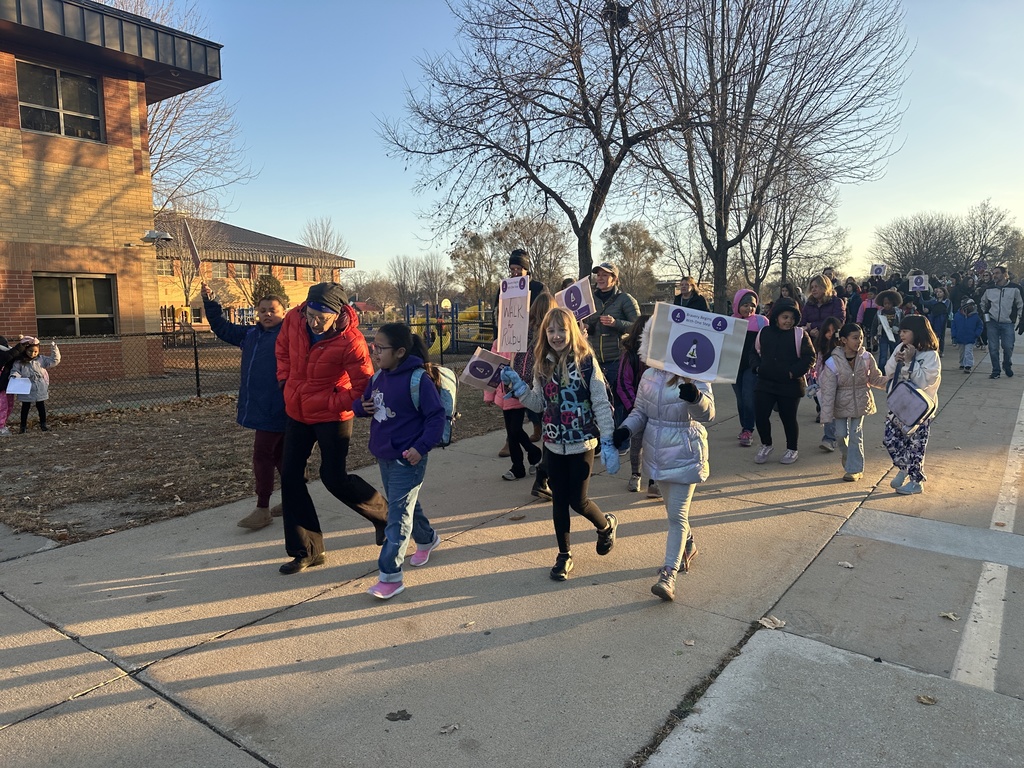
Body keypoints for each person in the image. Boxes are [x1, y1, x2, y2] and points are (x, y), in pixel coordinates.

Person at [275, 283, 389, 575]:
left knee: (333, 477)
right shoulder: (293, 318)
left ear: (337, 314)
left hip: (332, 415)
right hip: (297, 411)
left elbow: (362, 386)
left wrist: (328, 401)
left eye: (321, 318)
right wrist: (285, 381)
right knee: (290, 476)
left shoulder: (351, 340)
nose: (313, 322)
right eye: (310, 314)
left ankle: (386, 516)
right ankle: (307, 550)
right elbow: (283, 351)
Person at [501, 307, 620, 582]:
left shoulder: (587, 362)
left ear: (572, 332)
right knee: (558, 502)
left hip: (582, 444)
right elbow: (538, 404)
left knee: (578, 501)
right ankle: (564, 555)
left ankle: (605, 526)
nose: (556, 336)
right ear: (545, 334)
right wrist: (519, 388)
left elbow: (601, 403)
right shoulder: (542, 365)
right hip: (553, 444)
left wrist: (609, 440)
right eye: (550, 330)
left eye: (561, 330)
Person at [612, 352, 715, 601]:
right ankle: (688, 542)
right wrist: (626, 428)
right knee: (673, 512)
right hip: (657, 454)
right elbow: (641, 412)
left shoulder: (695, 373)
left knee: (677, 516)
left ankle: (668, 575)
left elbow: (708, 414)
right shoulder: (649, 375)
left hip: (685, 452)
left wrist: (696, 398)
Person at [354, 324, 446, 599]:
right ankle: (428, 539)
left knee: (397, 516)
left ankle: (390, 576)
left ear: (400, 352)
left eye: (381, 348)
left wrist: (420, 448)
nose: (375, 352)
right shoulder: (379, 376)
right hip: (384, 455)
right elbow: (363, 403)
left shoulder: (419, 380)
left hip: (409, 459)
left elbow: (436, 417)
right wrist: (362, 408)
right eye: (374, 347)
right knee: (405, 505)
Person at [203, 284, 288, 530]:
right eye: (262, 310)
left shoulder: (289, 336)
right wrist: (210, 302)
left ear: (284, 312)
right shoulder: (249, 334)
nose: (267, 314)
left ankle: (263, 508)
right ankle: (294, 497)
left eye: (273, 310)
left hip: (278, 408)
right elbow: (221, 327)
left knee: (262, 455)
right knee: (281, 456)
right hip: (259, 406)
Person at [492, 249, 548, 458]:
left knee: (532, 391)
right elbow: (498, 315)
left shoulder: (538, 288)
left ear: (527, 269)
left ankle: (537, 427)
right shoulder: (504, 288)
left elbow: (544, 313)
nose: (515, 272)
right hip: (510, 344)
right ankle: (511, 438)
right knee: (511, 398)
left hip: (532, 345)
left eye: (518, 269)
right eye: (512, 269)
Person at [818, 323, 886, 481]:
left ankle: (854, 469)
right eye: (855, 338)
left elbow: (875, 378)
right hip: (840, 403)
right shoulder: (833, 362)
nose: (859, 341)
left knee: (856, 434)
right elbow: (828, 391)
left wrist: (893, 382)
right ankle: (848, 456)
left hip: (861, 402)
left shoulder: (866, 358)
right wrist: (826, 415)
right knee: (841, 435)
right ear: (843, 340)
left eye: (861, 338)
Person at [750, 299, 815, 465]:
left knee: (788, 418)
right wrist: (757, 368)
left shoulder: (800, 335)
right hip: (765, 382)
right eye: (785, 317)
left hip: (790, 385)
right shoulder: (764, 332)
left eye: (792, 318)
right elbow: (754, 354)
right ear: (776, 317)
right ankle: (766, 444)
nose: (788, 321)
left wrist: (793, 373)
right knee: (760, 415)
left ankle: (792, 449)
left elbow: (809, 357)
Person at [883, 316, 941, 495]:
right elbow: (888, 370)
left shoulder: (930, 355)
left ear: (917, 333)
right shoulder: (900, 348)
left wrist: (910, 362)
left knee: (915, 446)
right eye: (900, 331)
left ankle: (916, 482)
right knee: (890, 439)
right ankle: (904, 468)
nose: (901, 334)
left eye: (905, 331)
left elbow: (924, 382)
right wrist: (898, 359)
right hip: (899, 405)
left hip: (920, 410)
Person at [583, 262, 639, 424]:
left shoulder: (625, 299)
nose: (600, 278)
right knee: (599, 401)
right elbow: (586, 324)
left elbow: (638, 326)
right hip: (593, 359)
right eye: (598, 275)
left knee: (618, 400)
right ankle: (604, 437)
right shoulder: (589, 300)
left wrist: (616, 323)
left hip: (617, 359)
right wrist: (587, 327)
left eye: (605, 275)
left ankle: (621, 438)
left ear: (614, 279)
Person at [616, 314, 652, 494]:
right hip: (637, 406)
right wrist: (634, 407)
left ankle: (654, 479)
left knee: (655, 445)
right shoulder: (630, 355)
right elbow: (623, 383)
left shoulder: (661, 355)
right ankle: (635, 474)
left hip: (658, 407)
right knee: (636, 443)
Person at [731, 289, 768, 448]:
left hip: (751, 366)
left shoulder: (762, 321)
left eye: (752, 305)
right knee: (740, 399)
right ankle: (744, 426)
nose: (749, 309)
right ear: (737, 305)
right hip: (733, 366)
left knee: (748, 396)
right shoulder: (729, 321)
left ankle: (748, 429)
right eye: (745, 305)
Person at [979, 265, 1023, 379]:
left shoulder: (1015, 289)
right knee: (993, 347)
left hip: (1008, 322)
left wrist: (1021, 318)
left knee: (1008, 346)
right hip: (992, 322)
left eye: (997, 273)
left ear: (1005, 274)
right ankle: (996, 370)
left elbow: (1020, 305)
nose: (995, 275)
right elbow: (982, 303)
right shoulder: (989, 289)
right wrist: (985, 316)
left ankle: (1007, 364)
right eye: (994, 273)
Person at [11, 337, 60, 433]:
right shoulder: (19, 362)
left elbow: (54, 361)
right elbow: (15, 371)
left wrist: (54, 349)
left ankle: (43, 424)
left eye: (35, 352)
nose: (32, 354)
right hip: (26, 387)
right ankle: (23, 427)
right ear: (25, 350)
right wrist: (14, 376)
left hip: (39, 387)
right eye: (30, 351)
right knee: (25, 407)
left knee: (41, 406)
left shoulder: (41, 359)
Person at [812, 316, 843, 452]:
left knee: (839, 414)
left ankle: (838, 436)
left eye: (833, 330)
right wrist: (816, 381)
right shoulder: (822, 349)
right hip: (825, 385)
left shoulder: (844, 349)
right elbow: (819, 366)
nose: (830, 334)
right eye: (827, 331)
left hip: (842, 385)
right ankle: (829, 438)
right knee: (828, 411)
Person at [0, 335, 30, 436]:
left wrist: (26, 345)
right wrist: (20, 346)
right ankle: (1, 427)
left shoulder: (9, 353)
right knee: (2, 407)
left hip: (7, 385)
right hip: (1, 388)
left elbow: (16, 356)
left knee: (8, 406)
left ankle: (3, 424)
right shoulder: (4, 355)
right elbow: (7, 356)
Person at [801, 274, 846, 340]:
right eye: (812, 287)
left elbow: (838, 322)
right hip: (812, 341)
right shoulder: (809, 304)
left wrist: (811, 325)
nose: (813, 290)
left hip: (831, 341)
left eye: (816, 287)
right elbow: (802, 323)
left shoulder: (836, 302)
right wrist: (810, 331)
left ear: (825, 287)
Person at [951, 298, 984, 372]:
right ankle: (962, 363)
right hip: (960, 337)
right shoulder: (957, 315)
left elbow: (980, 326)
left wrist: (976, 334)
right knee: (961, 352)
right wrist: (954, 335)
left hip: (970, 337)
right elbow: (954, 326)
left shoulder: (976, 316)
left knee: (968, 352)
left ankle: (968, 365)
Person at [872, 289, 903, 367]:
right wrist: (873, 336)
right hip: (883, 336)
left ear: (893, 303)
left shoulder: (899, 313)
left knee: (895, 355)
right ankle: (881, 373)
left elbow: (903, 324)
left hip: (895, 337)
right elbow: (874, 325)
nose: (887, 305)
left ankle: (894, 371)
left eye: (889, 303)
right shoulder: (879, 313)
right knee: (883, 356)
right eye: (885, 303)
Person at [922, 286, 951, 356]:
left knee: (941, 335)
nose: (938, 293)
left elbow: (946, 309)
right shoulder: (933, 300)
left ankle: (941, 350)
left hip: (942, 319)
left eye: (940, 292)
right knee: (933, 334)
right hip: (933, 319)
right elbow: (923, 302)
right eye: (937, 292)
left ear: (944, 293)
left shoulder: (947, 301)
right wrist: (919, 295)